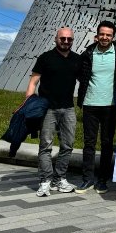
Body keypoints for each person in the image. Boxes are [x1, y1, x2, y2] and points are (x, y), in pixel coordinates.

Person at [76, 21, 116, 194]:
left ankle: (102, 180)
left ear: (113, 37)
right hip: (90, 104)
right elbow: (81, 74)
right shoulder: (88, 53)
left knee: (107, 144)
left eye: (108, 35)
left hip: (111, 105)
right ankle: (87, 179)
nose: (105, 37)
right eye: (102, 34)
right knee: (89, 143)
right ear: (97, 35)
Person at [27, 27, 80, 197]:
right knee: (46, 146)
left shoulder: (76, 59)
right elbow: (33, 81)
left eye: (69, 39)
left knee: (67, 145)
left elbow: (86, 81)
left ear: (72, 40)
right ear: (55, 39)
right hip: (48, 108)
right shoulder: (45, 58)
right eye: (62, 38)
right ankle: (45, 181)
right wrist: (28, 101)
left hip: (68, 108)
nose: (65, 42)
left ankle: (59, 179)